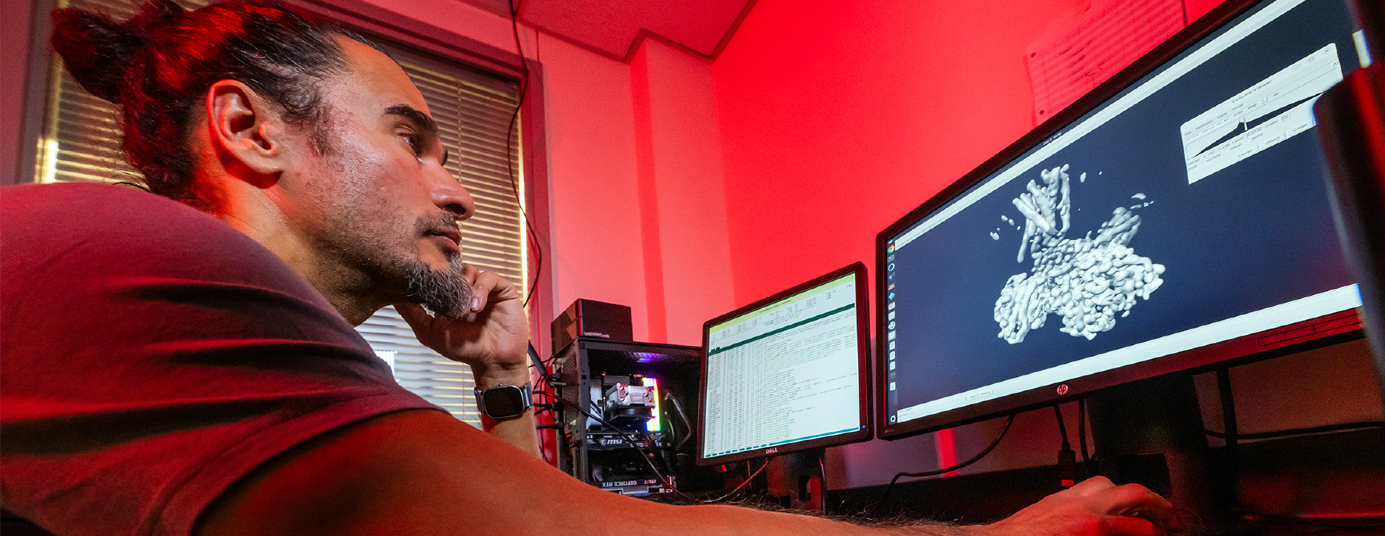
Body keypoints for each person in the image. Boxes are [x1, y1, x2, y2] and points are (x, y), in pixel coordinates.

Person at [0, 1, 1175, 534]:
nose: (458, 189)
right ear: (252, 131)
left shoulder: (244, 348)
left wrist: (507, 377)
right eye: (413, 137)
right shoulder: (127, 257)